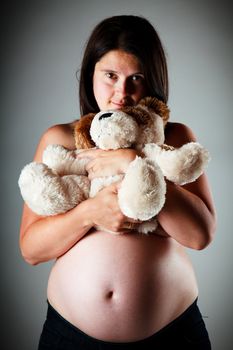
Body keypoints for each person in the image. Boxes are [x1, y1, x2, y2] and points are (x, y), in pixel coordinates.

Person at [19, 15, 216, 349]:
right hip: (71, 336)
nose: (121, 93)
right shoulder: (61, 141)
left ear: (152, 81)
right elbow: (31, 250)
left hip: (171, 333)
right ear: (90, 75)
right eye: (110, 76)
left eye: (135, 78)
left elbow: (200, 235)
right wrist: (91, 213)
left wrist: (133, 162)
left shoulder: (174, 139)